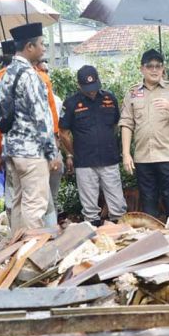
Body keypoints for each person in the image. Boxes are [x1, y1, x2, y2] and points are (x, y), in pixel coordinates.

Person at [0, 22, 60, 232]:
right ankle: (31, 257)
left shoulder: (6, 74)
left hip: (12, 150)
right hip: (32, 151)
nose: (44, 48)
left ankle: (17, 252)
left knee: (18, 203)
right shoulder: (30, 75)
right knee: (35, 205)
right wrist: (51, 152)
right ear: (29, 47)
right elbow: (41, 117)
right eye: (42, 44)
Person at [119, 49, 169, 218]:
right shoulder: (132, 93)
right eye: (150, 66)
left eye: (158, 66)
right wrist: (125, 154)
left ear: (163, 69)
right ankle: (154, 241)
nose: (154, 70)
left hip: (168, 156)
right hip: (143, 158)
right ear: (142, 69)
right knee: (148, 203)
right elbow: (126, 123)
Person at [59, 65, 127, 226]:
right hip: (84, 162)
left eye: (94, 87)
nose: (91, 91)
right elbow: (63, 132)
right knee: (90, 210)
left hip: (109, 158)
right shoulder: (70, 103)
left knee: (117, 204)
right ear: (78, 85)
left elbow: (116, 124)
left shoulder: (109, 98)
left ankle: (120, 236)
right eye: (87, 88)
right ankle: (94, 239)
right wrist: (73, 153)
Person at [34, 58, 62, 225]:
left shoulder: (56, 100)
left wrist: (57, 152)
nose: (45, 76)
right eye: (41, 71)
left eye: (46, 72)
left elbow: (59, 128)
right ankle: (46, 229)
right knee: (41, 198)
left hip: (54, 151)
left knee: (53, 194)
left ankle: (53, 227)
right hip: (37, 153)